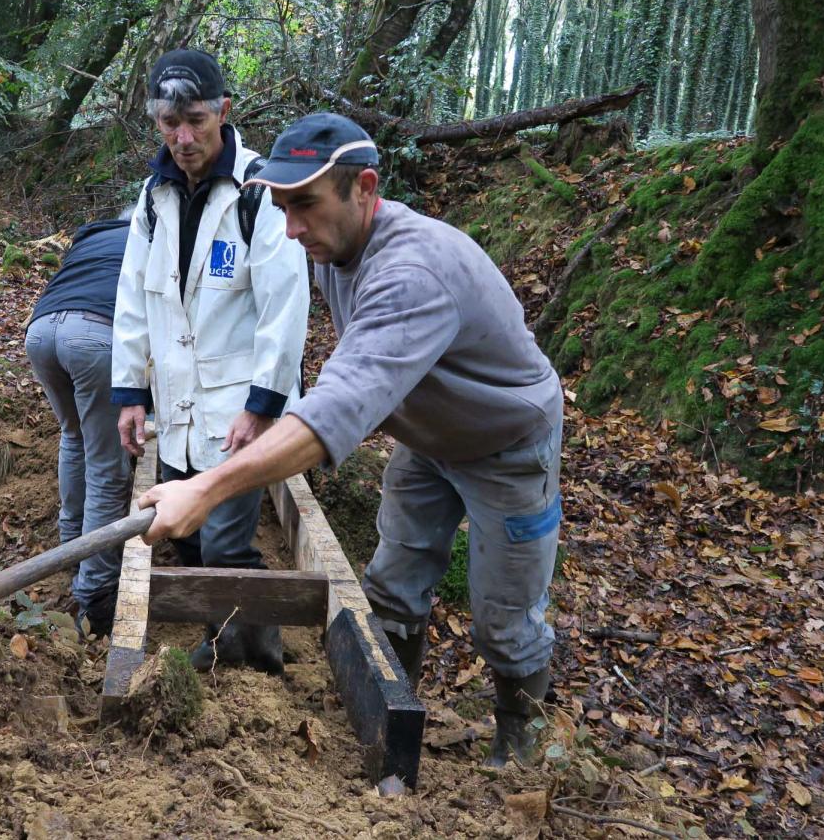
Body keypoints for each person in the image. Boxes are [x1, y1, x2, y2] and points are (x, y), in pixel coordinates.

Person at [139, 113, 565, 767]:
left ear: (365, 187)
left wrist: (206, 486)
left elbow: (339, 405)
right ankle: (394, 716)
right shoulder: (336, 248)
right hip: (427, 434)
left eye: (305, 205)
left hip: (505, 442)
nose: (291, 228)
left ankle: (522, 751)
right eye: (281, 208)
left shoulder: (413, 270)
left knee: (504, 621)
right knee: (393, 584)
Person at [112, 49, 309, 674]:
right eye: (170, 122)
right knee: (191, 534)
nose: (184, 137)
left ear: (224, 111)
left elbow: (286, 304)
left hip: (235, 405)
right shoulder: (154, 195)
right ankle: (238, 638)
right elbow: (133, 297)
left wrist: (264, 407)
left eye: (196, 120)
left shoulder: (258, 192)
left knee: (225, 539)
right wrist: (129, 391)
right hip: (176, 398)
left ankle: (244, 657)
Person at [25, 216, 134, 638]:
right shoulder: (155, 233)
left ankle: (72, 545)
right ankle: (95, 590)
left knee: (73, 434)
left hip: (41, 330)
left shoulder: (93, 233)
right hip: (95, 337)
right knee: (108, 465)